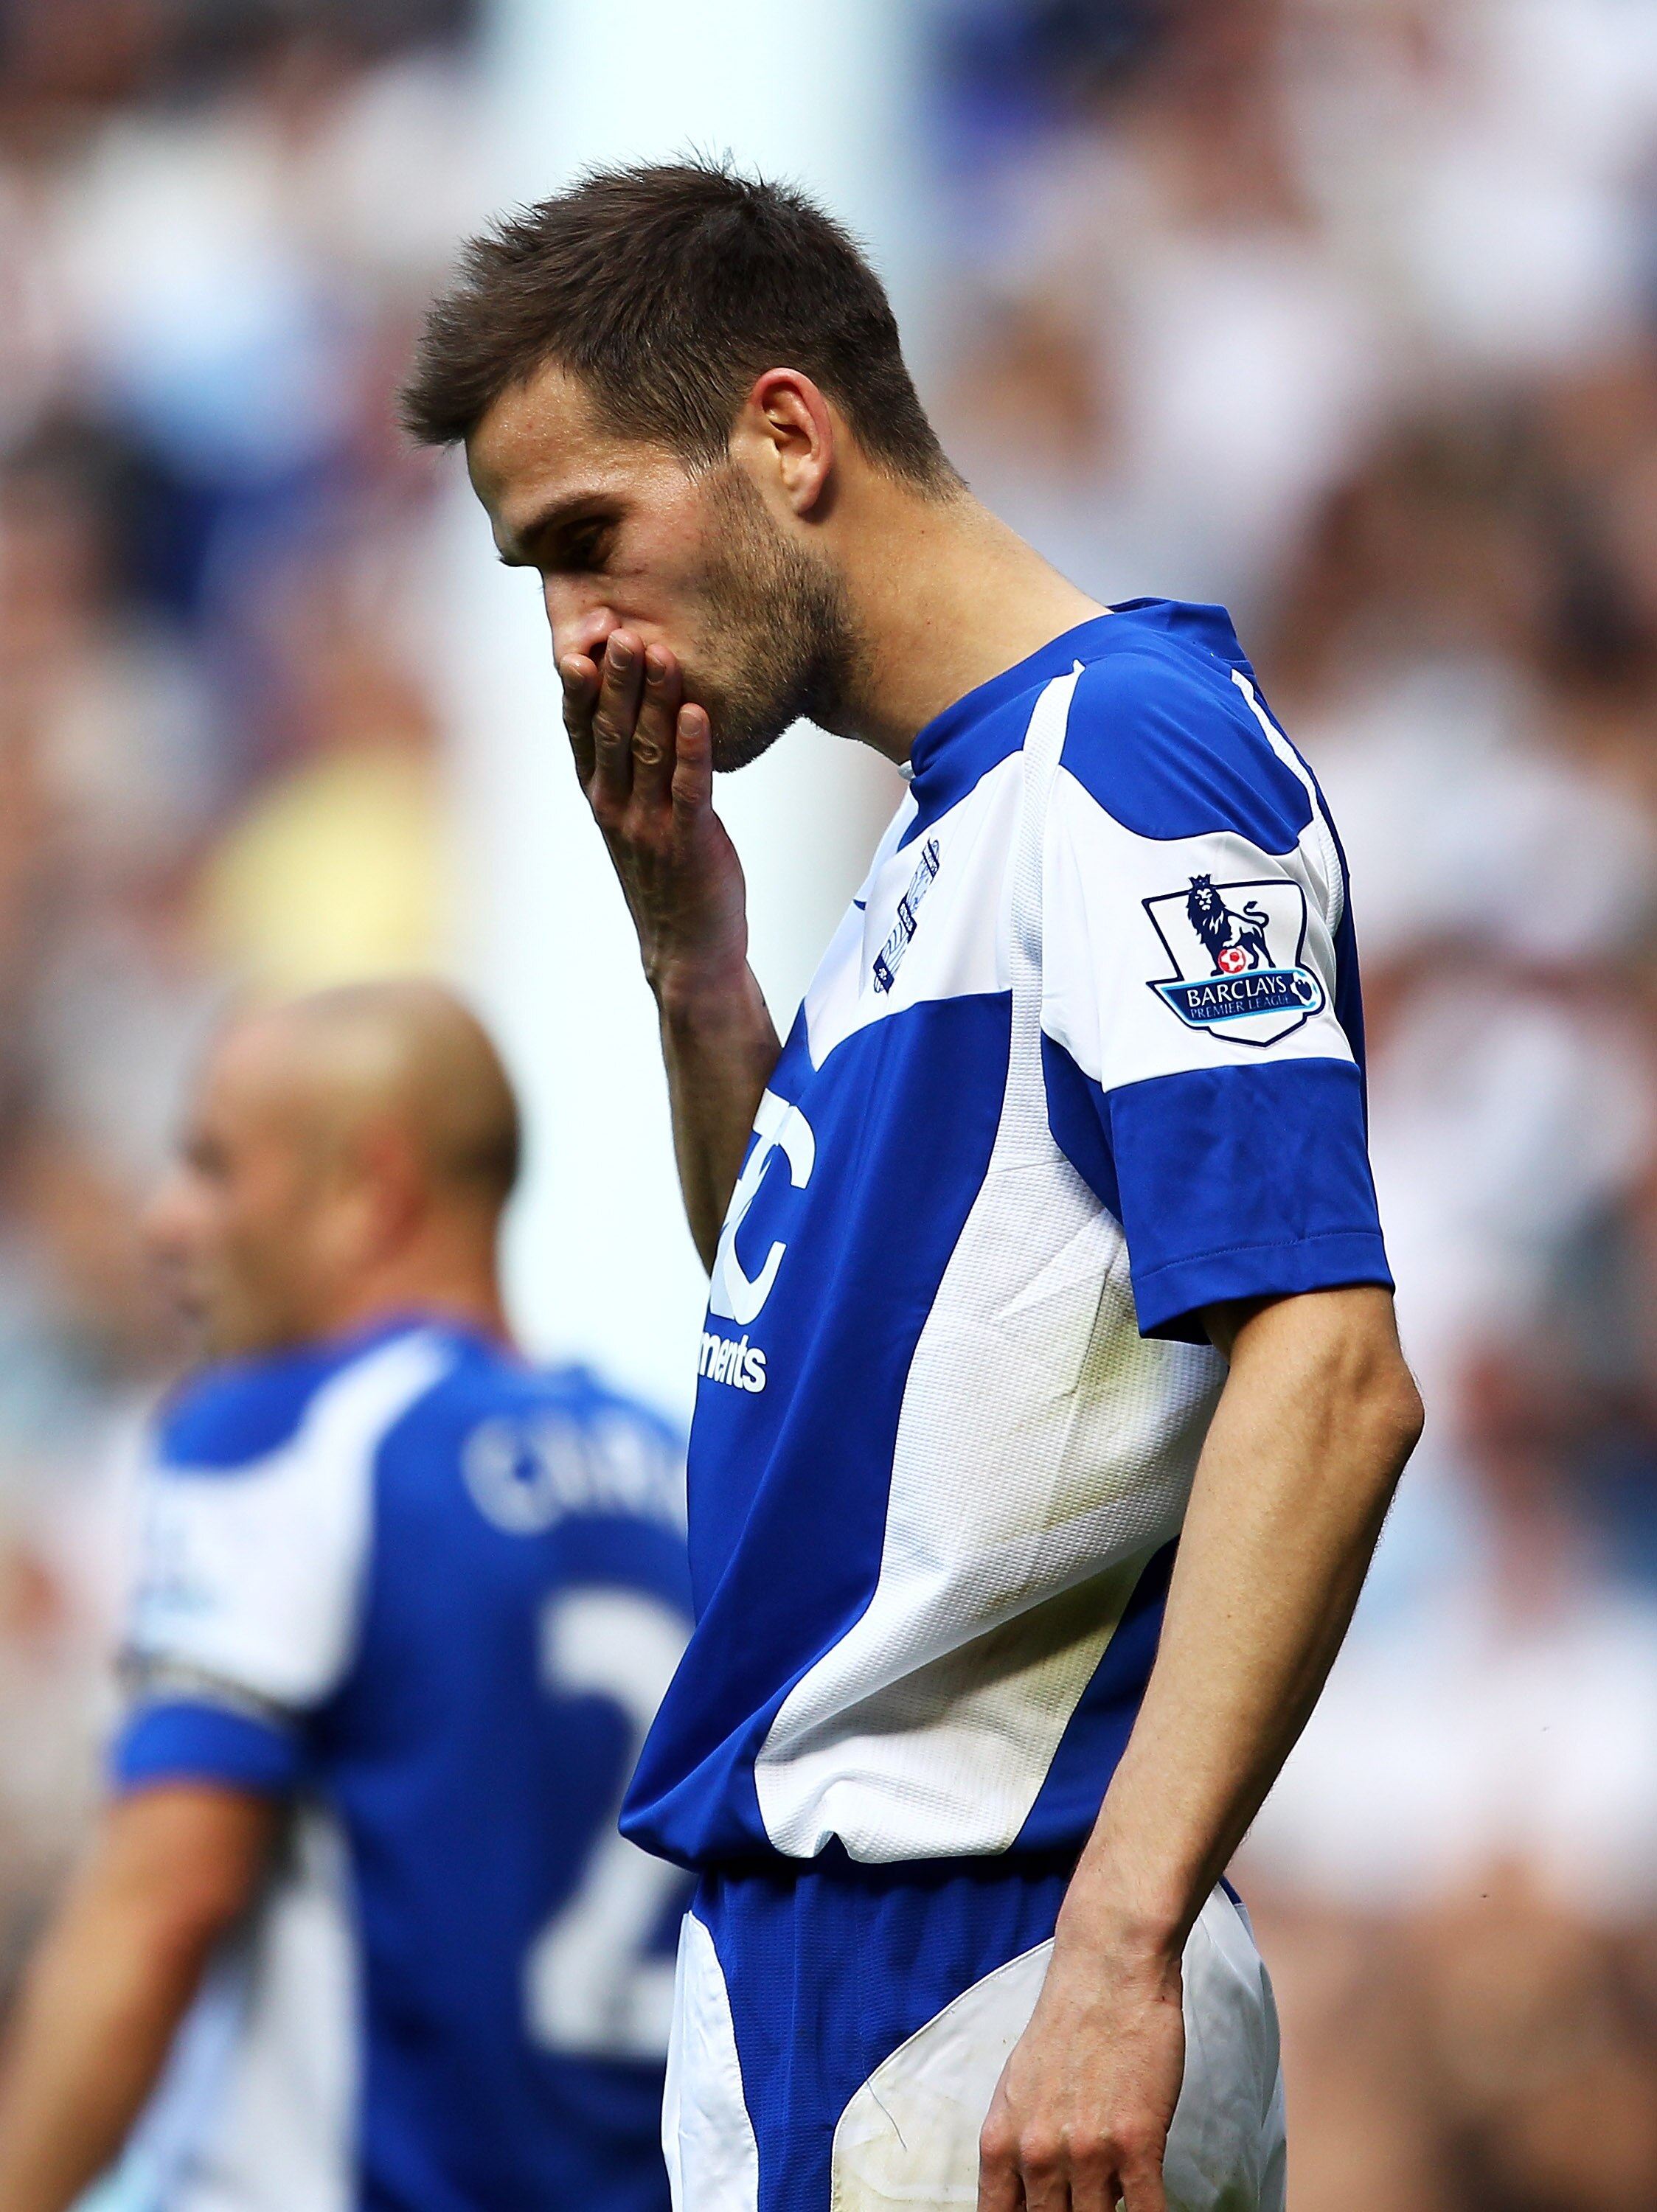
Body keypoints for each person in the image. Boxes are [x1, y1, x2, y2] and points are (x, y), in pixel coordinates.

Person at [403, 163, 1424, 2212]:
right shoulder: (939, 833)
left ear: (786, 436)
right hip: (818, 1957)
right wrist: (696, 967)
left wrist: (1121, 1948)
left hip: (991, 1947)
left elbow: (1333, 1366)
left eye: (584, 540)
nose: (573, 632)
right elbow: (807, 1354)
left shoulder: (1127, 759)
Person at [0, 981, 693, 2212]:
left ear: (371, 1188)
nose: (165, 1222)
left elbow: (159, 1905)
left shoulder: (289, 1432)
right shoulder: (679, 1478)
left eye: (214, 1167)